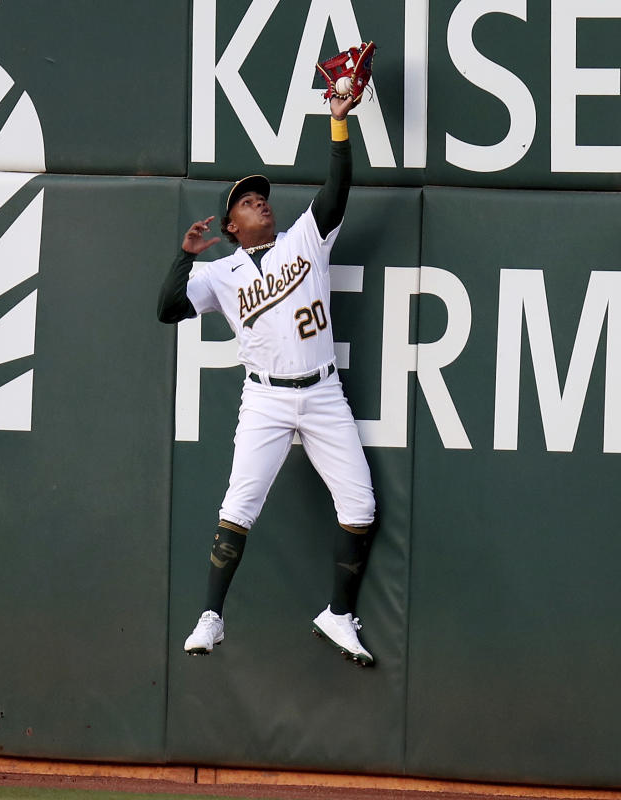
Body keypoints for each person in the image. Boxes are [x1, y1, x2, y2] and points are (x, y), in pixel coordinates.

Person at [157, 95, 377, 666]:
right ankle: (211, 617)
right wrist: (183, 258)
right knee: (240, 504)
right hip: (266, 399)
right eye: (250, 204)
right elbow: (167, 308)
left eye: (263, 200)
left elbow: (336, 190)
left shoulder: (305, 238)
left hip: (324, 391)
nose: (263, 207)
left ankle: (338, 615)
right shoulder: (219, 272)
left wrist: (338, 122)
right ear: (232, 226)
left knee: (360, 507)